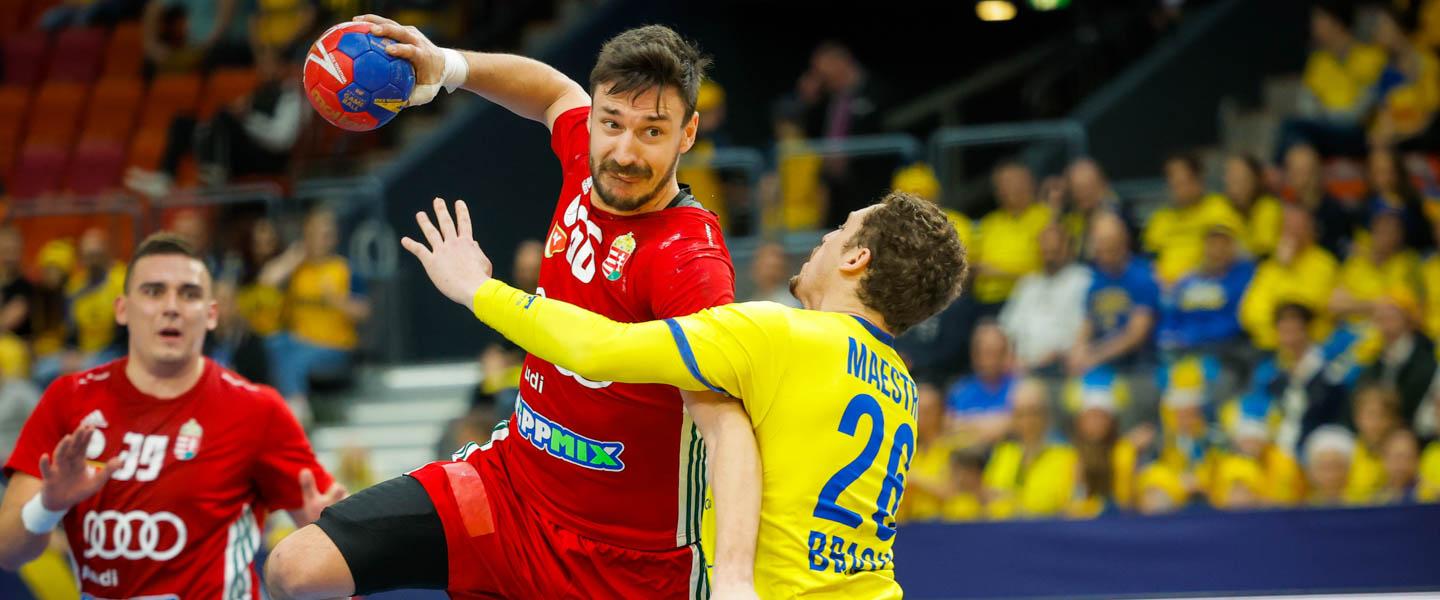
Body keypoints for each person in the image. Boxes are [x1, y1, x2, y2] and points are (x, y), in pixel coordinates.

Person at [266, 20, 757, 600]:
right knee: (295, 569)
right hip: (508, 489)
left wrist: (732, 578)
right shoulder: (586, 158)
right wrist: (445, 66)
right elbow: (553, 93)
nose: (624, 152)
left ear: (688, 133)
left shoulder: (689, 261)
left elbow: (727, 427)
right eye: (611, 124)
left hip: (624, 563)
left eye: (652, 131)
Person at [393, 191, 964, 596]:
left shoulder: (782, 335)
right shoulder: (901, 386)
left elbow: (600, 350)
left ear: (855, 259)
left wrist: (479, 291)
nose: (825, 235)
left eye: (841, 229)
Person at [0, 233, 342, 597]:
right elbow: (8, 551)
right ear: (122, 309)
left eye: (189, 294)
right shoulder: (68, 398)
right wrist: (48, 507)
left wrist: (334, 531)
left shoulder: (256, 409)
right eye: (153, 291)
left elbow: (334, 548)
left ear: (211, 314)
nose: (171, 307)